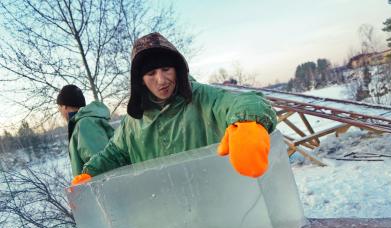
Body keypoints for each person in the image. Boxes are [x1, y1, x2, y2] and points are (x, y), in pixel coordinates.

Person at [72, 32, 277, 184]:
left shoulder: (203, 97)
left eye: (166, 69)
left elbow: (245, 102)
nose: (161, 80)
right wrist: (90, 173)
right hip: (167, 215)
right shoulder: (133, 122)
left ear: (177, 69)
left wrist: (249, 121)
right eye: (151, 73)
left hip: (217, 205)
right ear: (140, 80)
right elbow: (114, 153)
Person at [57, 85, 115, 176]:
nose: (60, 113)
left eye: (59, 108)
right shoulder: (83, 123)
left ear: (64, 106)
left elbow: (102, 166)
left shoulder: (85, 124)